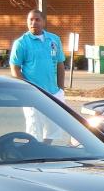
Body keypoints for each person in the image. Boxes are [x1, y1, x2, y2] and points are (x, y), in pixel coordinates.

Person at [9, 9, 66, 143]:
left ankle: (46, 150)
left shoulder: (54, 39)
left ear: (44, 22)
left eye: (37, 19)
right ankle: (36, 154)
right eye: (31, 20)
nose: (33, 22)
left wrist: (61, 89)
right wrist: (26, 90)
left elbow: (60, 64)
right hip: (33, 95)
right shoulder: (21, 43)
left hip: (54, 93)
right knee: (35, 130)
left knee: (54, 128)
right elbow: (15, 68)